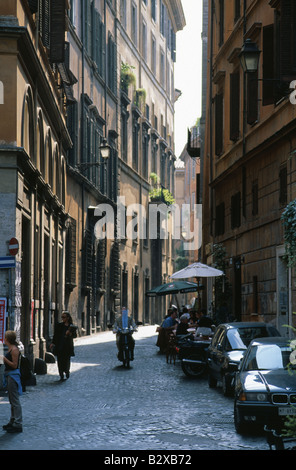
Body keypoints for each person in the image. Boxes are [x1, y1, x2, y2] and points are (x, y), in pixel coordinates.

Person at [1, 330, 23, 433]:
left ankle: (18, 423)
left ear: (8, 339)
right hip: (9, 375)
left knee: (15, 400)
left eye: (5, 337)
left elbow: (14, 365)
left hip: (13, 376)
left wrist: (4, 359)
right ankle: (13, 420)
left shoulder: (14, 350)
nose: (4, 339)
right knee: (11, 400)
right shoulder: (11, 348)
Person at [50, 311, 77, 381]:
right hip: (60, 345)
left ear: (68, 318)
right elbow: (55, 335)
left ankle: (67, 371)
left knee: (67, 360)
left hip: (67, 346)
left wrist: (70, 334)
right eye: (62, 317)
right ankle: (61, 374)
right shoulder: (59, 325)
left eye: (64, 317)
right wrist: (53, 343)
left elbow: (75, 336)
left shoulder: (71, 326)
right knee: (60, 361)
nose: (62, 319)